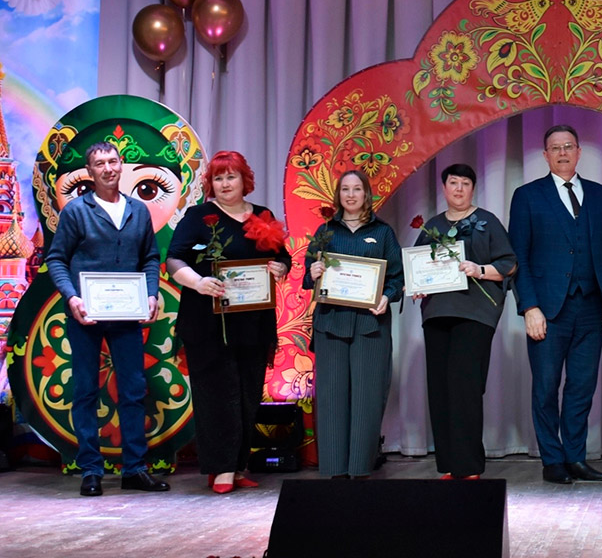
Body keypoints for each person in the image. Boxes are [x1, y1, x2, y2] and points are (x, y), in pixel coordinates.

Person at [43, 142, 169, 496]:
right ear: (90, 171)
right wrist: (72, 297)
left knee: (133, 390)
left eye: (113, 161)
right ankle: (90, 471)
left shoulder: (138, 210)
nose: (108, 168)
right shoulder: (76, 211)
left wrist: (150, 292)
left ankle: (135, 470)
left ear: (121, 165)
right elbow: (56, 259)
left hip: (127, 315)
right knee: (85, 390)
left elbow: (149, 258)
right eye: (99, 164)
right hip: (86, 314)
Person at [165, 151, 291, 494]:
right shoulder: (198, 216)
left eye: (230, 177)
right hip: (208, 323)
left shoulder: (263, 215)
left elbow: (282, 255)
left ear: (244, 180)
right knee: (218, 395)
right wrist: (198, 282)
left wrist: (280, 267)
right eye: (218, 178)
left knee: (248, 395)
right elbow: (174, 259)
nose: (224, 184)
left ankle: (238, 466)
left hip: (253, 323)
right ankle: (220, 468)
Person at [508, 124, 602, 484]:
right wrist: (529, 307)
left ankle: (575, 457)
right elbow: (518, 257)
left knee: (581, 387)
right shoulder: (527, 196)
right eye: (555, 148)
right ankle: (552, 460)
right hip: (547, 310)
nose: (562, 153)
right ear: (545, 155)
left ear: (579, 152)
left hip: (592, 309)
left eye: (568, 146)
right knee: (545, 387)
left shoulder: (601, 195)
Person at [410, 163, 516, 480]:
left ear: (473, 188)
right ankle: (449, 464)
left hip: (475, 313)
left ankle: (468, 466)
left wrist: (479, 270)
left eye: (465, 183)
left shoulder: (487, 222)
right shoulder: (433, 226)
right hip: (437, 314)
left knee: (464, 387)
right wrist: (417, 286)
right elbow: (417, 267)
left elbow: (509, 264)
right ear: (444, 188)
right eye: (453, 183)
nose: (458, 188)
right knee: (440, 388)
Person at [303, 169, 403, 478]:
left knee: (367, 398)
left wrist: (386, 296)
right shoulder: (325, 231)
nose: (350, 195)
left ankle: (360, 471)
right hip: (330, 324)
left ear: (366, 194)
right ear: (338, 195)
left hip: (370, 326)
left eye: (356, 189)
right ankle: (333, 472)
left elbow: (397, 278)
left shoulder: (383, 232)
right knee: (331, 398)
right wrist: (314, 271)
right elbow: (308, 275)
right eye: (345, 189)